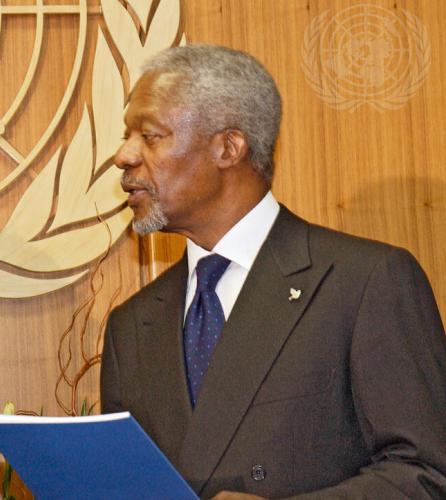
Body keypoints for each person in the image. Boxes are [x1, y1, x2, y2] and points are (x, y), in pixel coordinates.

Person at [100, 44, 446, 499]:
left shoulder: (365, 283)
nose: (123, 156)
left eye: (149, 135)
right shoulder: (132, 324)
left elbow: (426, 474)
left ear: (228, 146)